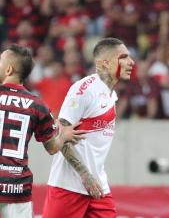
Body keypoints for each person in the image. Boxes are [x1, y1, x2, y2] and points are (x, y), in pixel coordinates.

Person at [0, 44, 86, 218]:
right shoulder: (37, 104)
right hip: (17, 190)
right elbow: (52, 148)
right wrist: (64, 136)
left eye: (0, 60)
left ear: (9, 69)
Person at [43, 38, 135, 218]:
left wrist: (92, 177)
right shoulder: (84, 90)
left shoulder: (111, 94)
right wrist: (85, 175)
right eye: (123, 57)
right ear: (105, 63)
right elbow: (60, 133)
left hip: (97, 186)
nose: (131, 62)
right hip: (68, 185)